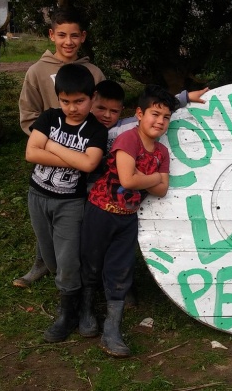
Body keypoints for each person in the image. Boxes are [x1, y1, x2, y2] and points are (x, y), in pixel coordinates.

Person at [79, 85, 177, 357]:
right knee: (91, 261)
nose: (160, 121)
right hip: (101, 210)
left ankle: (112, 329)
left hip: (127, 217)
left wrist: (150, 179)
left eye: (166, 117)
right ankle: (85, 310)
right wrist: (154, 177)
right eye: (155, 114)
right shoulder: (128, 140)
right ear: (139, 114)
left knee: (120, 269)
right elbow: (128, 180)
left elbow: (163, 189)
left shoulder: (161, 153)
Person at [13, 7, 105, 289]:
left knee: (76, 219)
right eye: (62, 35)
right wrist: (48, 143)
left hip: (84, 158)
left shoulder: (93, 72)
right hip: (47, 156)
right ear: (52, 35)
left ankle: (86, 271)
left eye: (74, 36)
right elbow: (28, 114)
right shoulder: (37, 72)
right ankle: (42, 261)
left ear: (83, 37)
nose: (68, 42)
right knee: (44, 212)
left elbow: (101, 114)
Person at [24, 64, 108, 342]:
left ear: (92, 97)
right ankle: (70, 291)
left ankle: (68, 313)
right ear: (58, 97)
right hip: (37, 197)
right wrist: (74, 157)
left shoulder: (95, 130)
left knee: (68, 258)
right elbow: (31, 153)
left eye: (80, 101)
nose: (72, 108)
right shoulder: (49, 117)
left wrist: (52, 146)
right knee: (50, 257)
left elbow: (90, 163)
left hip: (70, 204)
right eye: (66, 101)